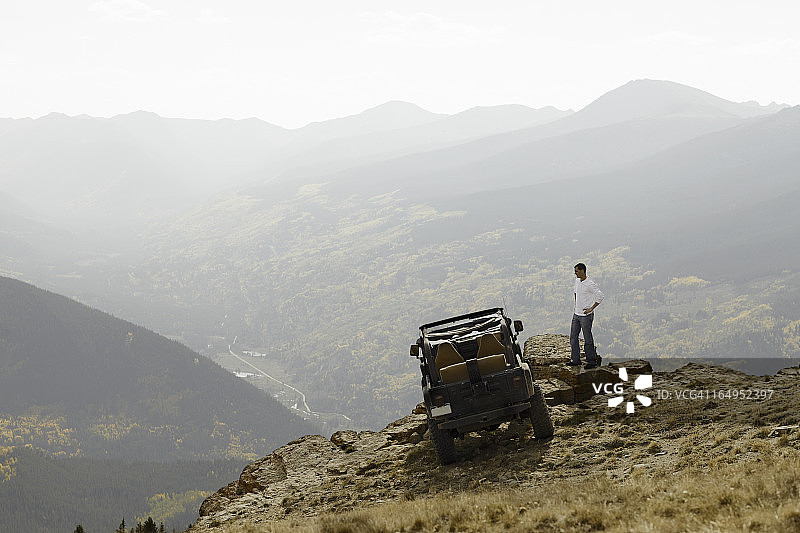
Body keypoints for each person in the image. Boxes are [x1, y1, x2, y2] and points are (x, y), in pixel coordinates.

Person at [568, 262, 605, 369]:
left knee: (587, 339)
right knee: (573, 338)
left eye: (577, 271)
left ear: (583, 271)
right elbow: (575, 293)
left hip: (586, 316)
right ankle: (575, 360)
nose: (575, 273)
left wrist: (591, 308)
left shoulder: (590, 283)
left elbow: (600, 296)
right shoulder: (577, 281)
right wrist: (577, 305)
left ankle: (591, 362)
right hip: (576, 314)